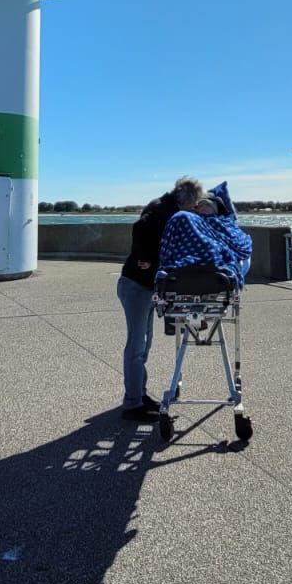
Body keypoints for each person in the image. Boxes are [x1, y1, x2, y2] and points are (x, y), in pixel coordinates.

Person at [117, 177, 211, 418]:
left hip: (145, 287)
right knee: (137, 346)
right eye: (192, 204)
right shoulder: (162, 209)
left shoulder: (165, 206)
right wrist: (144, 257)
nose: (193, 208)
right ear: (184, 199)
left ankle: (139, 395)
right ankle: (132, 404)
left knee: (144, 344)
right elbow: (139, 228)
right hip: (136, 285)